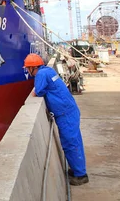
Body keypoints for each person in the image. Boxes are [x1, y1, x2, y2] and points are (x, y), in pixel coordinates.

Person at [24, 53, 89, 186]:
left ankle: (81, 175)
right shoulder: (48, 70)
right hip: (68, 111)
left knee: (71, 143)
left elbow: (38, 91)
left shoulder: (41, 75)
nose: (27, 71)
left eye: (28, 68)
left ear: (32, 68)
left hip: (65, 113)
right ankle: (77, 169)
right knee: (74, 141)